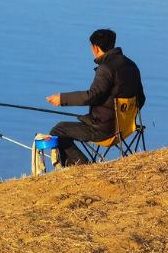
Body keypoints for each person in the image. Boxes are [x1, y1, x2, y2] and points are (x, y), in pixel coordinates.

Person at [46, 29, 145, 166]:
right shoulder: (131, 65)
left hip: (105, 130)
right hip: (126, 128)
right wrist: (124, 116)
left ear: (95, 48)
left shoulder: (106, 69)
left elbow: (92, 96)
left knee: (58, 130)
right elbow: (141, 99)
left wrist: (62, 99)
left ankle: (84, 166)